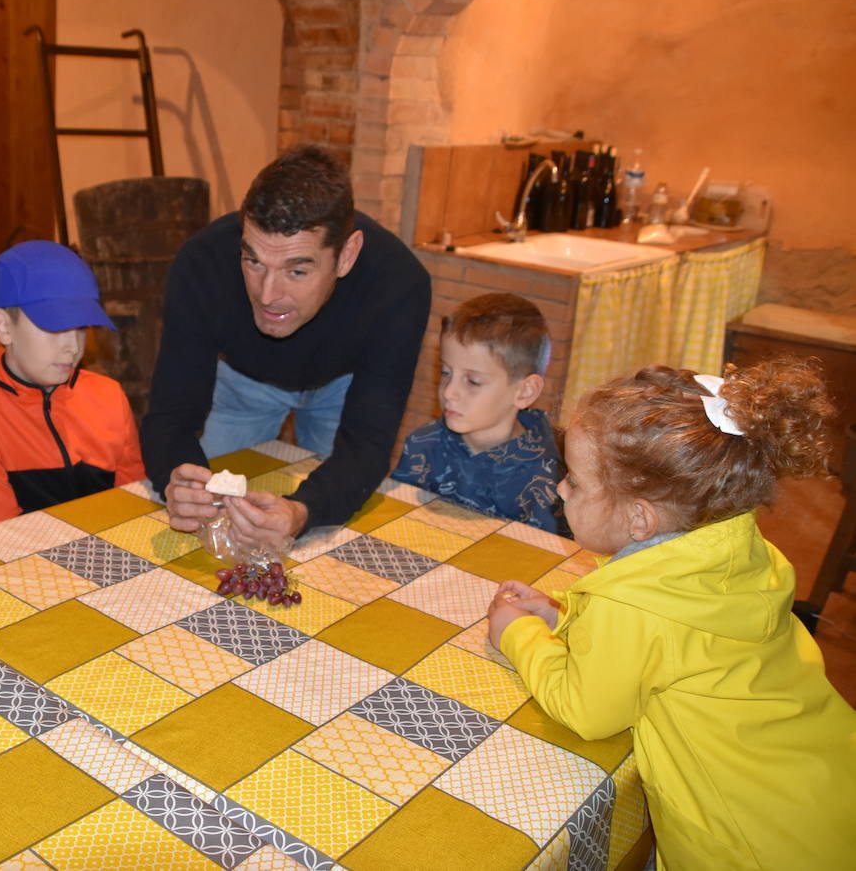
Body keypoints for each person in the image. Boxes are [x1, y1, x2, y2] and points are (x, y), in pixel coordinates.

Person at [487, 360, 856, 869]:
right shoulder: (738, 546)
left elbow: (584, 709)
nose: (560, 489)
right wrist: (562, 615)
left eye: (574, 479)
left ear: (640, 518)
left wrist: (521, 634)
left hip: (747, 843)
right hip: (822, 788)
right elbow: (671, 640)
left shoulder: (632, 608)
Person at [142, 144, 431, 549]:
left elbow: (367, 445)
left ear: (347, 256)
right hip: (242, 381)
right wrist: (178, 478)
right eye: (253, 261)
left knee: (332, 529)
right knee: (202, 516)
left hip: (342, 386)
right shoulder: (202, 262)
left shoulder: (398, 284)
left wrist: (301, 511)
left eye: (297, 270)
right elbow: (170, 417)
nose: (268, 294)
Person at [0, 240, 145, 528]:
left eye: (81, 328)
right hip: (21, 560)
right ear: (3, 327)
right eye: (54, 327)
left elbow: (133, 506)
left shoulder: (108, 395)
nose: (72, 347)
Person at [391, 292, 567, 534]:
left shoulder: (547, 476)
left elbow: (546, 561)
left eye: (473, 381)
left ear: (525, 391)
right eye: (445, 372)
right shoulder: (423, 444)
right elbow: (394, 522)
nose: (449, 392)